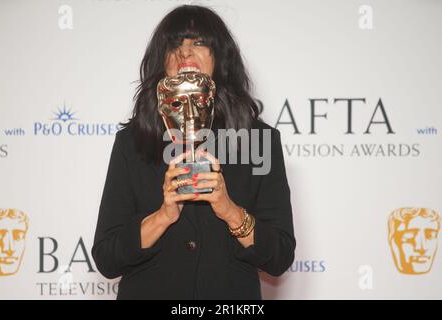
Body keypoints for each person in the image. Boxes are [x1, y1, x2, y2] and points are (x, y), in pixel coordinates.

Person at [92, 4, 296, 300]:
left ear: (220, 57)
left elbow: (280, 257)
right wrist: (163, 216)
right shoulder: (132, 143)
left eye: (198, 42)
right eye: (174, 44)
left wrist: (230, 211)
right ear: (162, 61)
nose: (185, 52)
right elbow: (107, 258)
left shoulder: (260, 141)